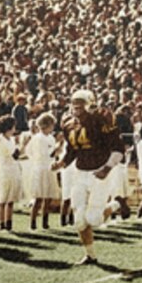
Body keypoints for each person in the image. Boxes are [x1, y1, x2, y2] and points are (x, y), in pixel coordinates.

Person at [51, 89, 126, 265]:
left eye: (81, 106)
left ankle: (116, 204)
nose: (76, 110)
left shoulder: (101, 119)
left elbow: (118, 148)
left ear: (90, 105)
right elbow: (72, 150)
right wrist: (62, 163)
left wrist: (107, 168)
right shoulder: (68, 123)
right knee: (79, 220)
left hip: (100, 171)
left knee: (94, 219)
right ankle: (90, 255)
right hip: (80, 172)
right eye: (74, 106)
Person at [26, 112, 61, 230]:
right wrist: (55, 150)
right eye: (51, 125)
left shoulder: (50, 138)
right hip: (41, 168)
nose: (53, 127)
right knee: (39, 197)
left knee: (48, 196)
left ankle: (45, 221)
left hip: (49, 167)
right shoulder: (38, 138)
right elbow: (33, 152)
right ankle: (33, 222)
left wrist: (56, 151)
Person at [0, 115, 23, 232]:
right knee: (3, 199)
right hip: (5, 171)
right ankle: (2, 224)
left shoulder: (11, 139)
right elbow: (15, 155)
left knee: (11, 199)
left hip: (14, 169)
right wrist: (24, 144)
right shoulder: (0, 140)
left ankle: (9, 223)